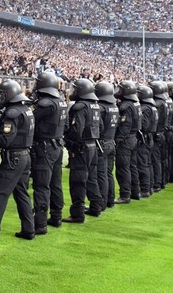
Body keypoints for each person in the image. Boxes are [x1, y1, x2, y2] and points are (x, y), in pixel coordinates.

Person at [0, 79, 35, 242]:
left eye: (1, 94)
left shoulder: (12, 113)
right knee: (21, 193)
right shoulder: (26, 110)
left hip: (13, 158)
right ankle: (29, 229)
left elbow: (6, 140)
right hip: (24, 156)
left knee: (0, 194)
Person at [30, 71, 67, 233]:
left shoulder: (45, 103)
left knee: (41, 185)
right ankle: (57, 216)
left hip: (44, 146)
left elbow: (30, 119)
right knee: (55, 183)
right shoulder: (60, 102)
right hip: (57, 145)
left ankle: (40, 223)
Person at [62, 78, 101, 222]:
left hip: (81, 148)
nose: (72, 92)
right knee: (91, 178)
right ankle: (96, 207)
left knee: (78, 181)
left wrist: (69, 143)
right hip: (92, 146)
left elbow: (76, 130)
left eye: (75, 89)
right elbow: (100, 127)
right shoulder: (94, 105)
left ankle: (77, 214)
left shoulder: (80, 107)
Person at [115, 80, 140, 204]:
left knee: (123, 168)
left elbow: (125, 125)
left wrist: (118, 140)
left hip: (125, 140)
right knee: (132, 167)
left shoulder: (126, 106)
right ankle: (135, 192)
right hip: (133, 138)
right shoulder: (135, 104)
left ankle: (125, 195)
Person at [95, 81, 119, 212]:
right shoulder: (114, 106)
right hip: (111, 142)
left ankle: (101, 203)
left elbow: (98, 127)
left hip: (102, 143)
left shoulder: (101, 108)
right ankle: (110, 200)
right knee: (108, 173)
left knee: (101, 174)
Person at [137, 86, 158, 198]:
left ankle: (145, 189)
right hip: (150, 138)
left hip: (144, 139)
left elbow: (143, 125)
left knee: (142, 165)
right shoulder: (153, 107)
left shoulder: (145, 108)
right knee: (148, 164)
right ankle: (149, 187)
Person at [149, 81, 170, 193]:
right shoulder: (164, 102)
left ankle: (157, 183)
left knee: (155, 160)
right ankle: (160, 181)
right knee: (161, 159)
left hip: (157, 133)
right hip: (162, 133)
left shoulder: (157, 103)